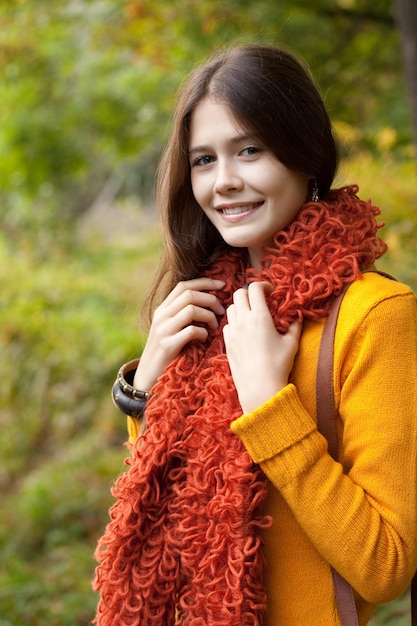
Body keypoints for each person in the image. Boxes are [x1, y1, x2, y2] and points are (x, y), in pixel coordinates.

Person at [93, 44, 417, 625]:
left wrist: (271, 408)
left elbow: (386, 566)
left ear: (305, 154)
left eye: (249, 150)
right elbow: (155, 508)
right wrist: (146, 388)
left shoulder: (376, 316)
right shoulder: (204, 308)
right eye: (203, 160)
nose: (224, 182)